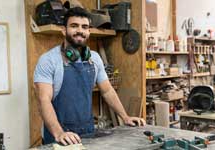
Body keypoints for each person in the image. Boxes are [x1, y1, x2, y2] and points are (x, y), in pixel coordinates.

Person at [34, 7, 146, 145]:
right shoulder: (48, 60)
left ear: (88, 31)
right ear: (64, 30)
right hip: (59, 135)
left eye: (84, 27)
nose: (80, 30)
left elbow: (108, 91)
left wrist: (125, 117)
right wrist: (59, 133)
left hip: (88, 132)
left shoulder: (95, 59)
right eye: (74, 26)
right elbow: (43, 100)